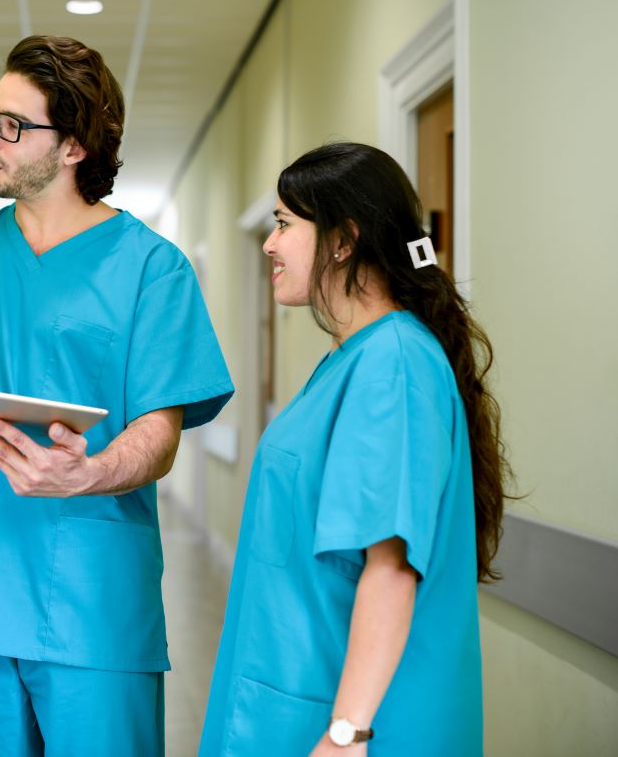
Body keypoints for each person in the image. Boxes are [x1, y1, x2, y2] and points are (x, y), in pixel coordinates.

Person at [0, 35, 234, 756]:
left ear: (73, 146)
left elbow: (158, 434)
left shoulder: (152, 270)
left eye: (13, 124)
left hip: (94, 597)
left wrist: (90, 472)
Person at [198, 142, 512, 756]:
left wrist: (347, 734)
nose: (269, 243)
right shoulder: (353, 358)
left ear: (343, 240)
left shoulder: (392, 364)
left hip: (350, 722)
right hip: (299, 693)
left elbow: (391, 568)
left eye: (285, 224)